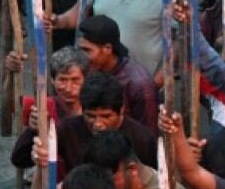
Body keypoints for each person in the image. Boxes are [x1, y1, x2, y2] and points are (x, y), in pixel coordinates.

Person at [14, 72, 158, 180]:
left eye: (106, 116)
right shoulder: (67, 129)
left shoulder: (143, 140)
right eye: (90, 116)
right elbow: (19, 160)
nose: (97, 124)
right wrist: (33, 132)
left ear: (121, 110)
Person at [75, 16, 158, 131]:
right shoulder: (85, 71)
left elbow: (147, 136)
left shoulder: (138, 84)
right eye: (80, 49)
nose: (82, 56)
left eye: (87, 50)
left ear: (107, 49)